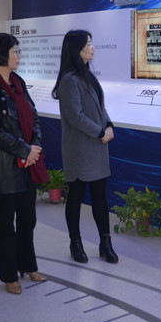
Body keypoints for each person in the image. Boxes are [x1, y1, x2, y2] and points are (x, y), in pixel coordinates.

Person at [0, 33, 49, 295]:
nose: (19, 55)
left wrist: (34, 147)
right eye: (15, 51)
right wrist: (25, 150)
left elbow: (33, 116)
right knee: (5, 223)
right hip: (3, 165)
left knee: (28, 219)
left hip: (27, 163)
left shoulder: (17, 81)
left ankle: (28, 265)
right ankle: (8, 274)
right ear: (0, 55)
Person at [51, 30, 118, 264]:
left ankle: (105, 243)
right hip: (79, 148)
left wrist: (109, 125)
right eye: (88, 44)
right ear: (76, 49)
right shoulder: (69, 79)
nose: (92, 48)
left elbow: (100, 107)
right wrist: (100, 132)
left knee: (100, 198)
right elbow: (75, 116)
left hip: (97, 146)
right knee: (75, 196)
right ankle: (75, 242)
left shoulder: (88, 75)